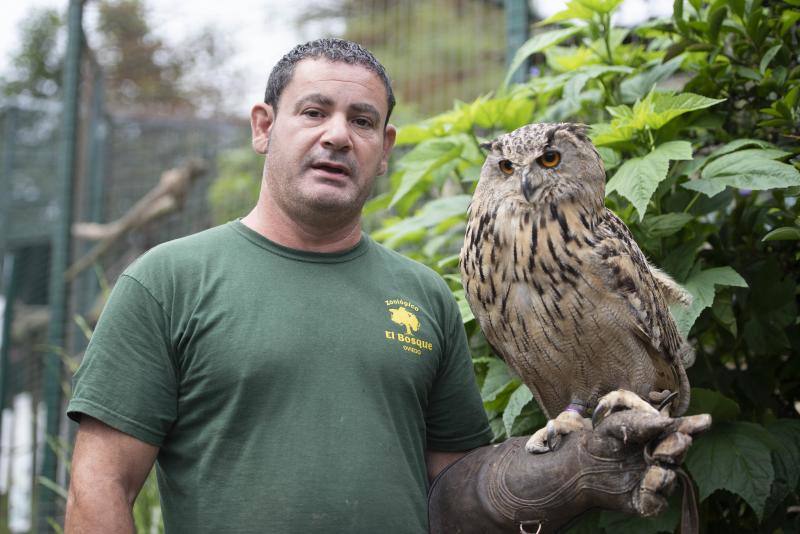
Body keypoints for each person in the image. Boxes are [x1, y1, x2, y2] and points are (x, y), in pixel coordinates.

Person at [64, 38, 706, 534]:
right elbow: (98, 488)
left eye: (362, 120)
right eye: (313, 111)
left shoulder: (425, 294)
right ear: (263, 126)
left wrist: (567, 473)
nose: (337, 135)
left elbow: (457, 490)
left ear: (385, 143)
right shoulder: (167, 281)